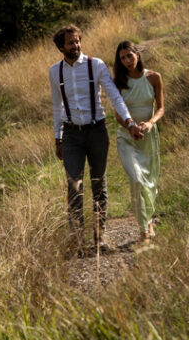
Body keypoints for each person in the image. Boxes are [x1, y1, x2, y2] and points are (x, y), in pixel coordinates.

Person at [50, 24, 143, 255]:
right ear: (61, 46)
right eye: (71, 42)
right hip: (71, 134)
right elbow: (57, 106)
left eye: (78, 40)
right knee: (74, 187)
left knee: (99, 184)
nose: (76, 45)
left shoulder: (96, 65)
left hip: (97, 131)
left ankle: (99, 239)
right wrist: (57, 138)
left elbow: (114, 96)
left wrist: (129, 121)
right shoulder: (55, 71)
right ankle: (78, 243)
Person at [113, 40, 164, 249]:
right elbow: (117, 114)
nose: (126, 61)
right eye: (122, 58)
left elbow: (161, 108)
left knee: (150, 181)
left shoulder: (154, 78)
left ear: (137, 55)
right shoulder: (119, 83)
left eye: (129, 56)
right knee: (136, 180)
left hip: (149, 136)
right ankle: (143, 230)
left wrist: (150, 123)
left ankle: (149, 220)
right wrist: (131, 126)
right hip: (127, 137)